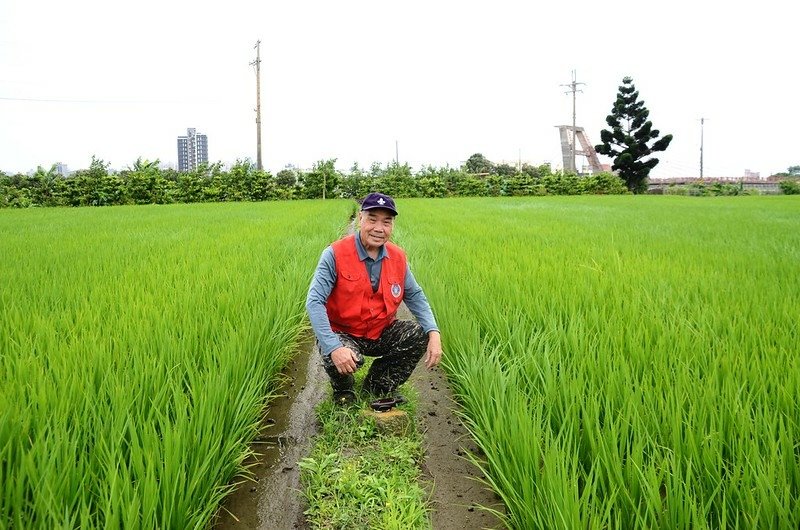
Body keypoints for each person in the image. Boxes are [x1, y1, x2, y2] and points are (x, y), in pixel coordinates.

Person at [306, 192, 442, 406]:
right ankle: (343, 388)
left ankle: (377, 385)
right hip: (344, 332)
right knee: (337, 351)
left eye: (386, 222)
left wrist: (434, 332)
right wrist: (333, 346)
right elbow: (314, 302)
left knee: (417, 334)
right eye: (372, 219)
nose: (379, 228)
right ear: (360, 218)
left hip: (380, 331)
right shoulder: (335, 254)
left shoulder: (398, 257)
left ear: (392, 226)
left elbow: (414, 295)